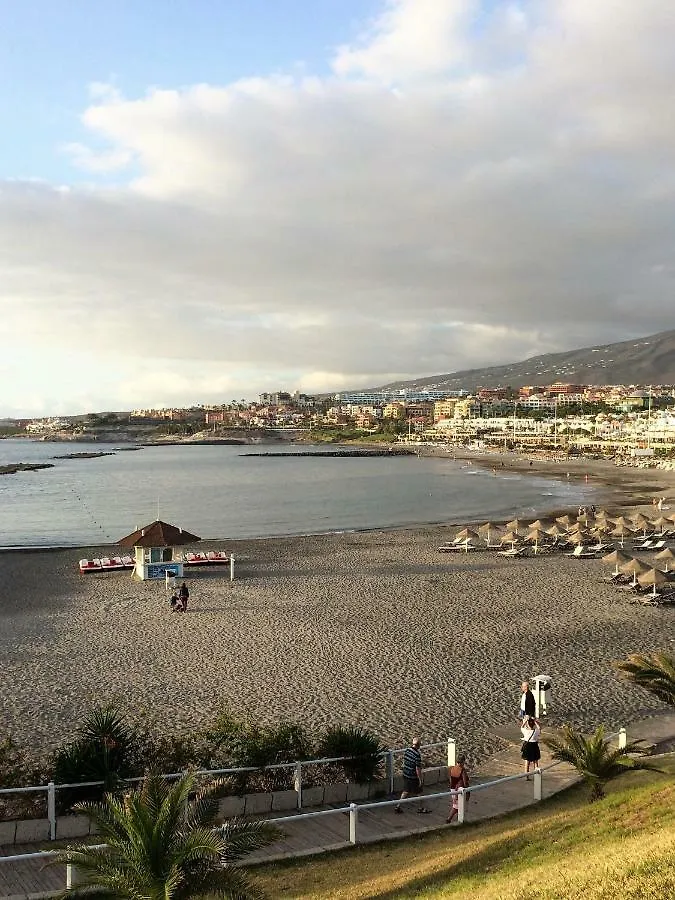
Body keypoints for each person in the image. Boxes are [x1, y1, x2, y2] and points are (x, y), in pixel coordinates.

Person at [395, 736, 430, 814]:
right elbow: (418, 769)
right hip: (412, 777)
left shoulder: (407, 750)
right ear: (419, 745)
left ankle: (398, 806)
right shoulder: (417, 755)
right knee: (419, 792)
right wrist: (420, 780)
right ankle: (421, 808)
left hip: (406, 774)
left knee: (405, 791)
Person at [446, 754, 470, 824]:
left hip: (452, 789)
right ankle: (450, 819)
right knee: (458, 806)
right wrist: (468, 792)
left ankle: (450, 819)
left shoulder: (452, 768)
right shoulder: (462, 770)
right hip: (459, 790)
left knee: (456, 806)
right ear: (463, 761)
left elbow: (451, 781)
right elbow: (465, 783)